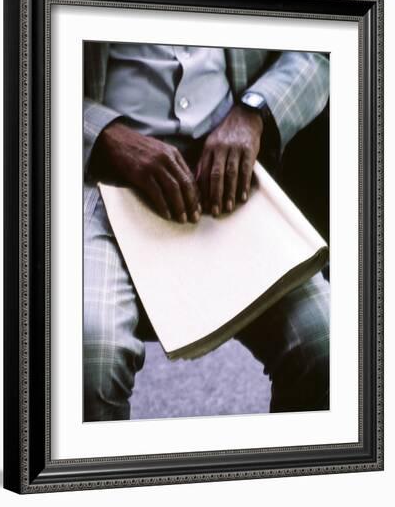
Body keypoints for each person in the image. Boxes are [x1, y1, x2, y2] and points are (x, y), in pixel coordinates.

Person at [83, 42, 330, 421]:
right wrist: (101, 134)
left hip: (227, 173)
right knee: (92, 354)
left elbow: (315, 51)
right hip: (100, 175)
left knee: (330, 344)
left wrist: (256, 111)